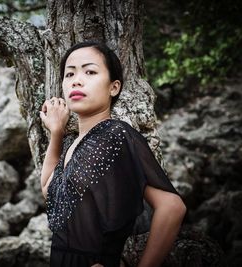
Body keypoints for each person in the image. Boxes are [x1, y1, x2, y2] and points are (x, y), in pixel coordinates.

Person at [39, 41, 186, 267]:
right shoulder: (74, 144)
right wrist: (57, 132)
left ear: (113, 87)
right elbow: (48, 190)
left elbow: (172, 207)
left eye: (90, 71)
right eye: (69, 74)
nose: (76, 80)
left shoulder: (116, 134)